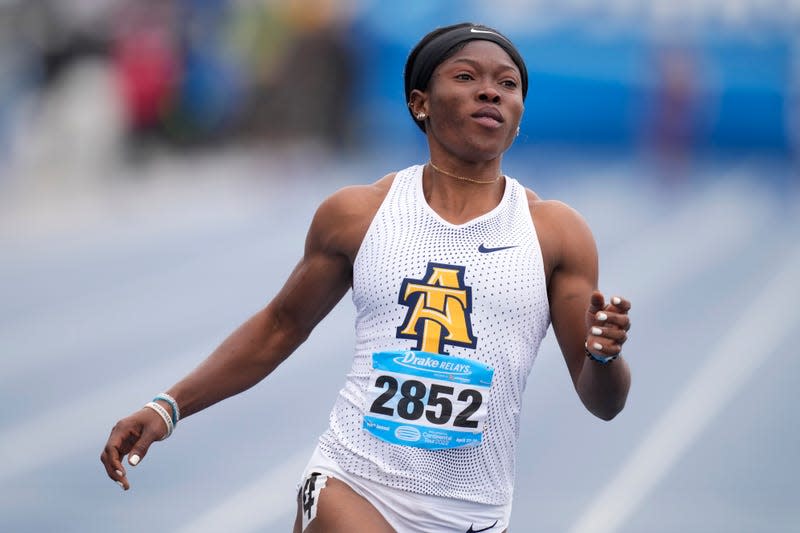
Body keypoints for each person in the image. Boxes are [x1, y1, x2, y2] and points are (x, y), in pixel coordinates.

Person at [101, 22, 632, 533]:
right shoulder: (358, 215)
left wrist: (605, 356)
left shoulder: (556, 234)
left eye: (507, 84)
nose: (489, 93)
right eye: (467, 77)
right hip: (354, 482)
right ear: (419, 103)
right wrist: (167, 407)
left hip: (474, 510)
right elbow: (278, 328)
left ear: (519, 115)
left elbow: (604, 403)